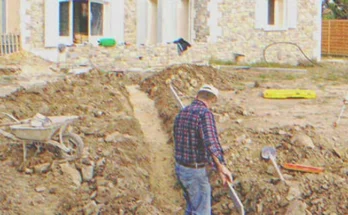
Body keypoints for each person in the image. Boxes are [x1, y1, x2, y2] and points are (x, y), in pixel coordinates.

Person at [173, 84, 233, 215]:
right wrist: (221, 166)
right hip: (195, 172)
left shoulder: (183, 112)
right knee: (201, 211)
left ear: (197, 96)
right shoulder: (205, 114)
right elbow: (211, 142)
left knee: (191, 208)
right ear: (212, 100)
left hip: (180, 169)